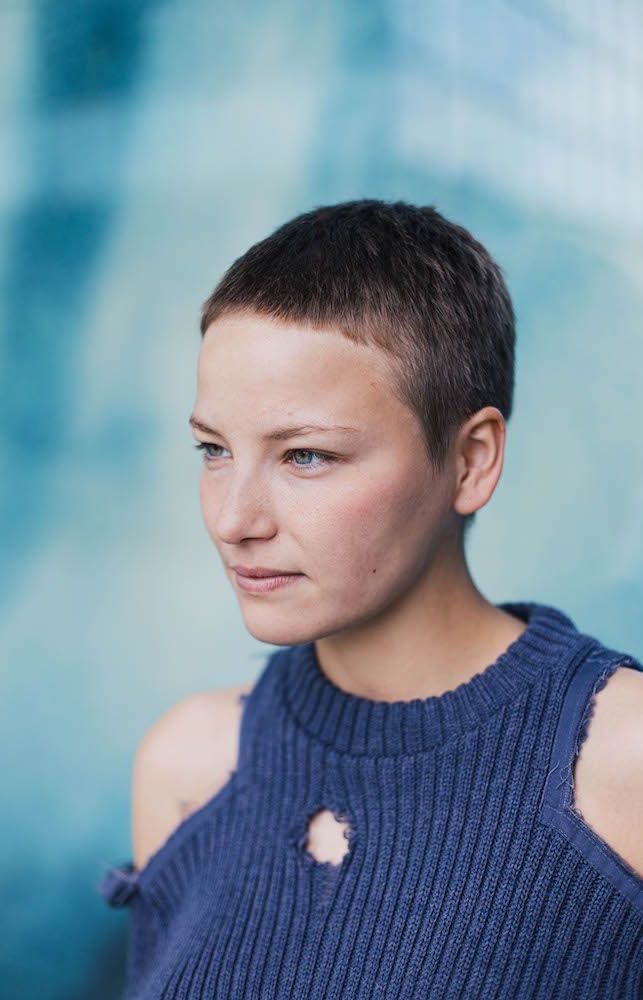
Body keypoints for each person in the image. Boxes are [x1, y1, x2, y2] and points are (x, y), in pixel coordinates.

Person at [98, 199, 643, 999]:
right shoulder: (189, 766)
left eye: (306, 456)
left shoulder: (621, 763)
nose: (232, 519)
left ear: (470, 460)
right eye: (213, 449)